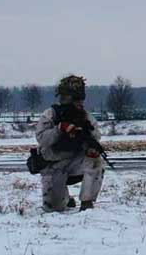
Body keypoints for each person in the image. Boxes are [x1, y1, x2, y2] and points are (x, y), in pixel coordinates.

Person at [34, 75, 105, 211]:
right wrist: (60, 129)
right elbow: (41, 138)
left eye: (80, 99)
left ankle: (87, 201)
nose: (79, 103)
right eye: (76, 99)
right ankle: (66, 199)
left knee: (96, 160)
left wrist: (89, 146)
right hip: (53, 166)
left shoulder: (86, 117)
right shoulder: (50, 115)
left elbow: (96, 136)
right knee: (54, 208)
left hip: (74, 163)